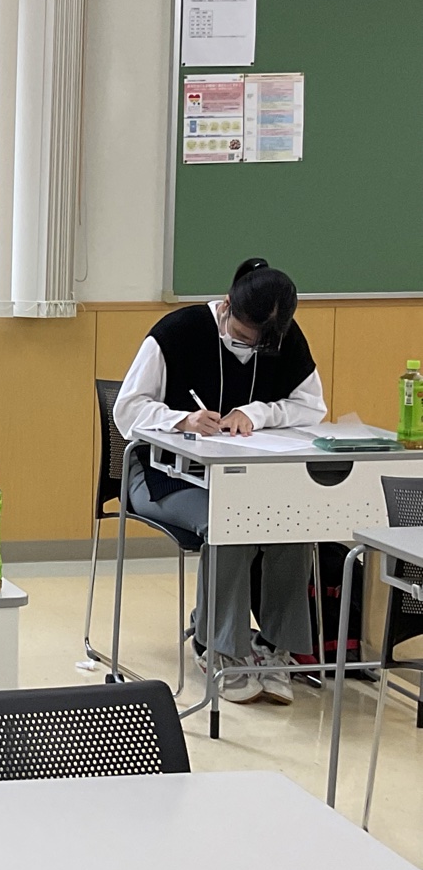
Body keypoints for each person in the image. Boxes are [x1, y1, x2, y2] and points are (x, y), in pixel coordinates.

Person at [113, 257, 326, 707]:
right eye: (243, 338)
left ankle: (274, 646)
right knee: (230, 522)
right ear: (227, 306)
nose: (249, 349)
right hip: (161, 477)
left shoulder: (284, 337)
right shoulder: (178, 332)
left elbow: (311, 407)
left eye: (261, 345)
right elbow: (127, 410)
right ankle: (218, 647)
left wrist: (256, 413)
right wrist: (181, 419)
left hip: (246, 478)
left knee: (294, 523)